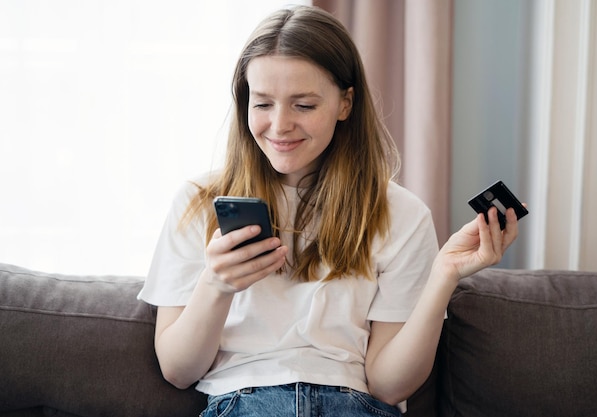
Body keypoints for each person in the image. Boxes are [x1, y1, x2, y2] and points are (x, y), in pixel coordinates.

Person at [138, 5, 520, 417]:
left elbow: (389, 386)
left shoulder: (402, 214)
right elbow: (178, 370)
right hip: (243, 403)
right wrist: (216, 284)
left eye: (303, 105)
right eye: (263, 104)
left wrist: (443, 277)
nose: (279, 125)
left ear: (345, 103)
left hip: (353, 404)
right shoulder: (198, 203)